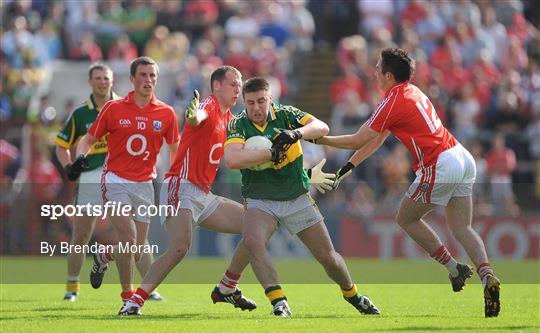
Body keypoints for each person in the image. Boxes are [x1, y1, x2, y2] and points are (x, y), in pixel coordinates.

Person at [118, 66, 335, 316]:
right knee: (180, 248)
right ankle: (134, 302)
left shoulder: (232, 121)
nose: (238, 88)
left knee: (254, 230)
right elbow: (197, 116)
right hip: (181, 185)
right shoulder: (209, 106)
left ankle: (227, 286)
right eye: (233, 84)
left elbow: (261, 161)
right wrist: (192, 117)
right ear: (217, 86)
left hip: (204, 194)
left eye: (240, 83)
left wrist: (306, 174)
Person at [318, 48, 500, 318]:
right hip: (461, 156)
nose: (374, 72)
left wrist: (317, 139)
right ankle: (487, 276)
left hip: (439, 163)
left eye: (378, 68)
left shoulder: (393, 99)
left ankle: (454, 268)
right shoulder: (411, 91)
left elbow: (358, 138)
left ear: (388, 76)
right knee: (462, 227)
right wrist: (349, 166)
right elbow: (377, 139)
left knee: (406, 218)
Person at [223, 77, 380, 317]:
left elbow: (322, 127)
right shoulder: (238, 124)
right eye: (251, 102)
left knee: (328, 258)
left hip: (296, 196)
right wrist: (270, 153)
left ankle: (353, 295)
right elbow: (233, 160)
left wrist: (297, 133)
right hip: (260, 198)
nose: (256, 108)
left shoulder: (286, 115)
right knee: (253, 241)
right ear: (244, 102)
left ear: (270, 99)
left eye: (261, 101)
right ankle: (279, 301)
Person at [74, 57, 180, 308]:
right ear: (132, 79)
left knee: (136, 248)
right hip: (115, 180)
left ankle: (104, 255)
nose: (148, 80)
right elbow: (88, 139)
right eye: (143, 75)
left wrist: (174, 177)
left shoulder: (166, 113)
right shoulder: (113, 108)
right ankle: (127, 299)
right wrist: (80, 156)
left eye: (152, 75)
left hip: (145, 183)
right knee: (130, 238)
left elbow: (175, 148)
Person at [55, 63, 161, 302]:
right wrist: (70, 166)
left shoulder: (129, 106)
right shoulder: (81, 113)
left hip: (124, 176)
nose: (103, 82)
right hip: (92, 177)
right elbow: (62, 145)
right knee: (81, 234)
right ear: (90, 82)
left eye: (106, 78)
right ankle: (72, 287)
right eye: (98, 78)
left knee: (136, 238)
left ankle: (147, 289)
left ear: (113, 81)